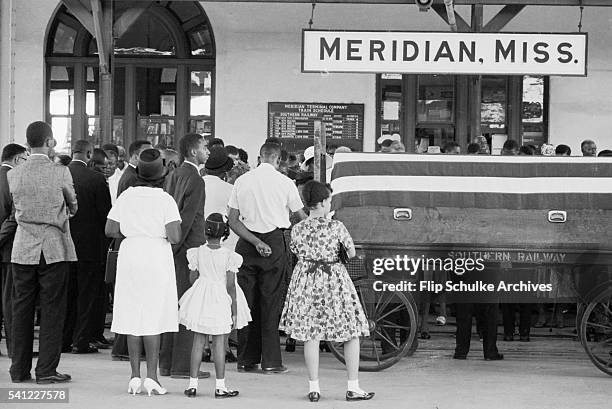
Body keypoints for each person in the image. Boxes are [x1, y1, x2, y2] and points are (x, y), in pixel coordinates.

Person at [280, 181, 373, 402]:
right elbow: (350, 253)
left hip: (305, 281)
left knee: (311, 335)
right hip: (333, 280)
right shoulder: (336, 226)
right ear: (321, 202)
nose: (330, 203)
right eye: (329, 199)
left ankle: (314, 388)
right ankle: (353, 386)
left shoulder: (298, 228)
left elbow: (295, 250)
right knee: (350, 332)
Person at [105, 148, 182, 396]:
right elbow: (175, 235)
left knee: (131, 314)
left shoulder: (126, 196)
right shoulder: (165, 200)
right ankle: (152, 377)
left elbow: (110, 229)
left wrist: (132, 231)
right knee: (152, 316)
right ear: (162, 174)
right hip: (156, 255)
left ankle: (134, 377)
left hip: (130, 254)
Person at [228, 142, 307, 374]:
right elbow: (300, 217)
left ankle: (246, 360)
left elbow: (232, 220)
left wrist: (254, 242)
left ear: (259, 157)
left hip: (247, 244)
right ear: (279, 160)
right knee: (271, 303)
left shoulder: (242, 181)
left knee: (247, 303)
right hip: (274, 243)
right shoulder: (286, 183)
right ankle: (271, 362)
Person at [8, 121, 77, 384]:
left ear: (27, 143)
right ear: (49, 142)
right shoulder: (61, 173)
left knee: (21, 308)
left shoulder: (13, 173)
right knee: (52, 309)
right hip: (53, 247)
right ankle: (46, 370)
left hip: (23, 247)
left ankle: (18, 370)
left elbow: (15, 210)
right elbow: (73, 206)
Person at [179, 213, 251, 399]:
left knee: (198, 341)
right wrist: (234, 310)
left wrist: (200, 277)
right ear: (224, 233)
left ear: (205, 232)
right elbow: (230, 286)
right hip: (220, 298)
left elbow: (192, 278)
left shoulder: (196, 252)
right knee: (220, 343)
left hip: (201, 296)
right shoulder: (229, 256)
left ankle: (192, 385)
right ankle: (220, 386)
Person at [161, 133, 210, 379]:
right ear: (193, 152)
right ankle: (183, 366)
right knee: (189, 308)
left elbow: (171, 213)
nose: (208, 152)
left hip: (174, 248)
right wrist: (182, 250)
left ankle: (167, 363)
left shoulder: (175, 174)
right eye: (204, 147)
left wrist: (170, 247)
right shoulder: (196, 179)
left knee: (173, 306)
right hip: (188, 249)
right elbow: (188, 220)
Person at [63, 140, 111, 354]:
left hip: (63, 244)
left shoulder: (60, 173)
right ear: (90, 154)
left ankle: (63, 340)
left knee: (66, 294)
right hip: (90, 247)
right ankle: (81, 341)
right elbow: (105, 217)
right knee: (86, 294)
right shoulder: (96, 179)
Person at [0, 144, 28, 358]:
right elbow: (15, 216)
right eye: (25, 159)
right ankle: (13, 349)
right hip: (9, 249)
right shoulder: (14, 180)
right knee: (9, 301)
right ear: (17, 160)